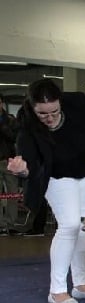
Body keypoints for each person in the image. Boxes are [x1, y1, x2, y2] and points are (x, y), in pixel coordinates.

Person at [7, 78, 85, 303]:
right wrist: (23, 169)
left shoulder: (79, 103)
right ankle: (57, 290)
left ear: (61, 102)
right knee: (69, 226)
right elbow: (30, 164)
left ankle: (80, 283)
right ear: (33, 108)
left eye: (54, 111)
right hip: (56, 177)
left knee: (84, 226)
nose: (50, 117)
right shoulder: (26, 127)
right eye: (43, 114)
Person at [0, 93, 22, 236]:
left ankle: (11, 224)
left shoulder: (10, 120)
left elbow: (15, 137)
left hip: (8, 161)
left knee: (12, 193)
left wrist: (2, 127)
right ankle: (0, 225)